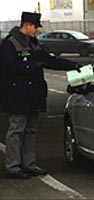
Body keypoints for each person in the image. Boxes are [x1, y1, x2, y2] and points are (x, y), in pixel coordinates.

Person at [0, 12, 81, 179]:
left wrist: (73, 66)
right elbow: (8, 67)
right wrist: (32, 65)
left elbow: (49, 60)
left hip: (34, 95)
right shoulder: (10, 44)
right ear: (27, 25)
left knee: (30, 131)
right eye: (35, 27)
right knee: (16, 130)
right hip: (17, 95)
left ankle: (29, 164)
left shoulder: (34, 43)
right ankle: (13, 167)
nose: (36, 30)